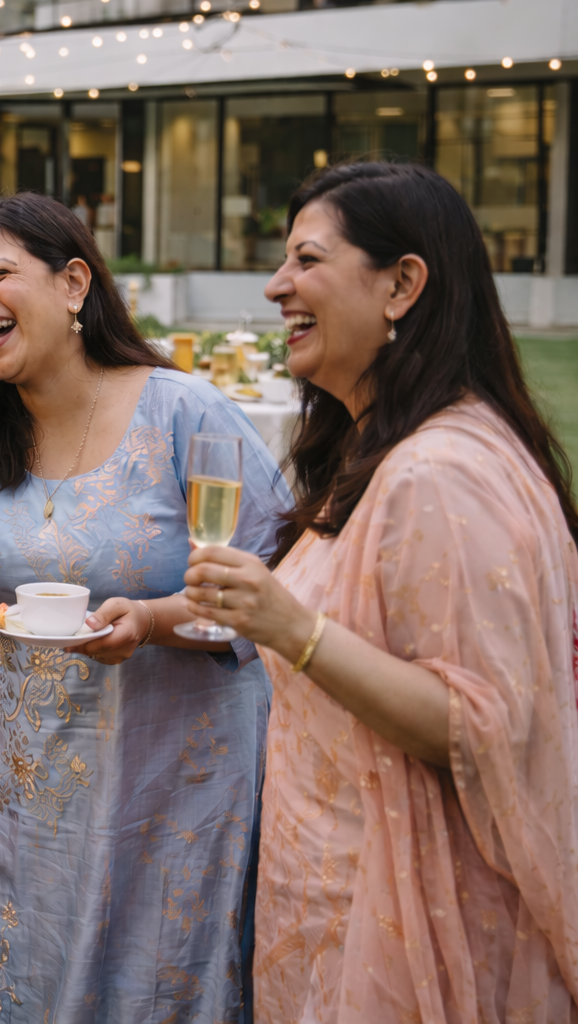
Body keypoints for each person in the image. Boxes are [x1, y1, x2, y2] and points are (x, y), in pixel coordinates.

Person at [0, 191, 292, 1020]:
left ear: (74, 283)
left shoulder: (181, 412)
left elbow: (281, 582)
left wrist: (155, 620)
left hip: (178, 780)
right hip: (26, 783)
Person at [180, 162, 578, 1021]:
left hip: (394, 926)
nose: (275, 285)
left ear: (401, 284)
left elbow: (483, 726)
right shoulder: (375, 449)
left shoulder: (441, 472)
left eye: (306, 261)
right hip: (327, 899)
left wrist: (293, 628)